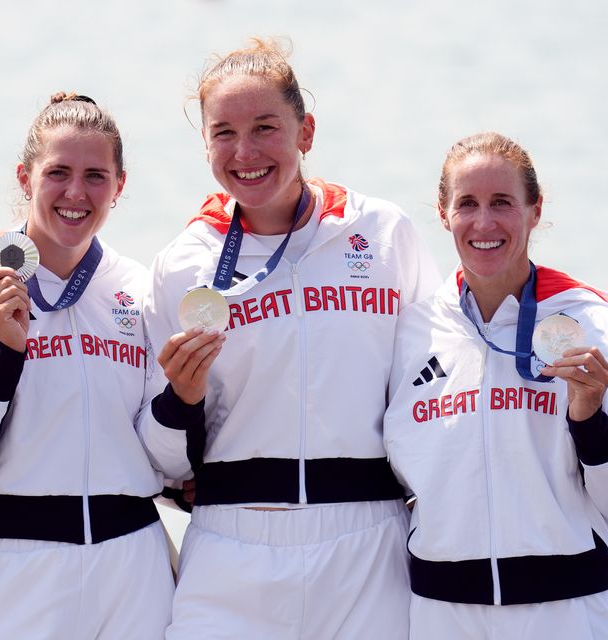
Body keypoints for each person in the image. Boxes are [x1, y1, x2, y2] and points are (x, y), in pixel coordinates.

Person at [136, 39, 440, 639]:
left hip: (369, 546)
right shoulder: (182, 264)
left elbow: (431, 379)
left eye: (266, 128)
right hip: (231, 545)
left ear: (306, 131)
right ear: (204, 143)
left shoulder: (381, 234)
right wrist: (180, 399)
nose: (244, 152)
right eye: (223, 132)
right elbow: (157, 455)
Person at [0, 92, 174, 639]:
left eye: (96, 175)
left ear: (120, 186)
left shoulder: (140, 289)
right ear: (25, 177)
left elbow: (162, 457)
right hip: (8, 565)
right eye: (58, 173)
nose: (76, 193)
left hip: (132, 569)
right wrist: (3, 361)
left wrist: (187, 406)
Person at [383, 131, 608, 639]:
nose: (484, 223)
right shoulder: (408, 333)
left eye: (503, 203)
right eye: (467, 204)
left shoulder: (594, 325)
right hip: (443, 615)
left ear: (534, 210)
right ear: (444, 214)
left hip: (569, 612)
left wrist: (590, 422)